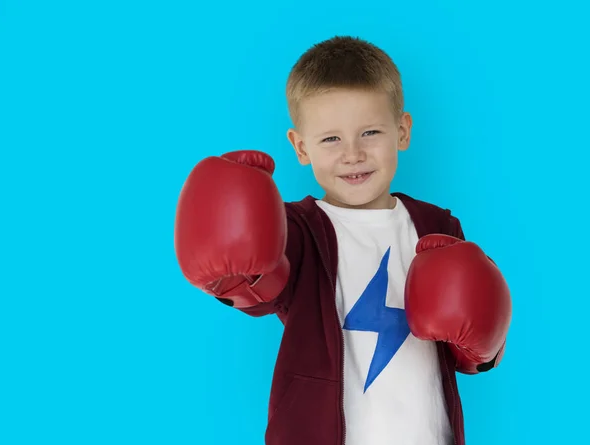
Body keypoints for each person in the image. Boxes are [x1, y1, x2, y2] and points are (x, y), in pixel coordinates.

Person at [174, 36, 512, 445]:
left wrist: (483, 345)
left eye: (370, 132)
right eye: (331, 139)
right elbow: (262, 290)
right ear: (301, 147)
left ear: (402, 131)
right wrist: (232, 274)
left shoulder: (436, 226)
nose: (353, 154)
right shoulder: (296, 229)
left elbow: (473, 349)